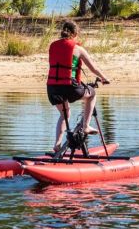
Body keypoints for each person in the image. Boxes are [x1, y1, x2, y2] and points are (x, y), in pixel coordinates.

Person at [47, 20, 110, 151]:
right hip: (70, 88)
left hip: (52, 88)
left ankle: (57, 144)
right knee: (92, 94)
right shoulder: (78, 48)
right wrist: (104, 78)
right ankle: (86, 125)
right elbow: (93, 68)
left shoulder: (53, 45)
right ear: (76, 33)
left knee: (65, 114)